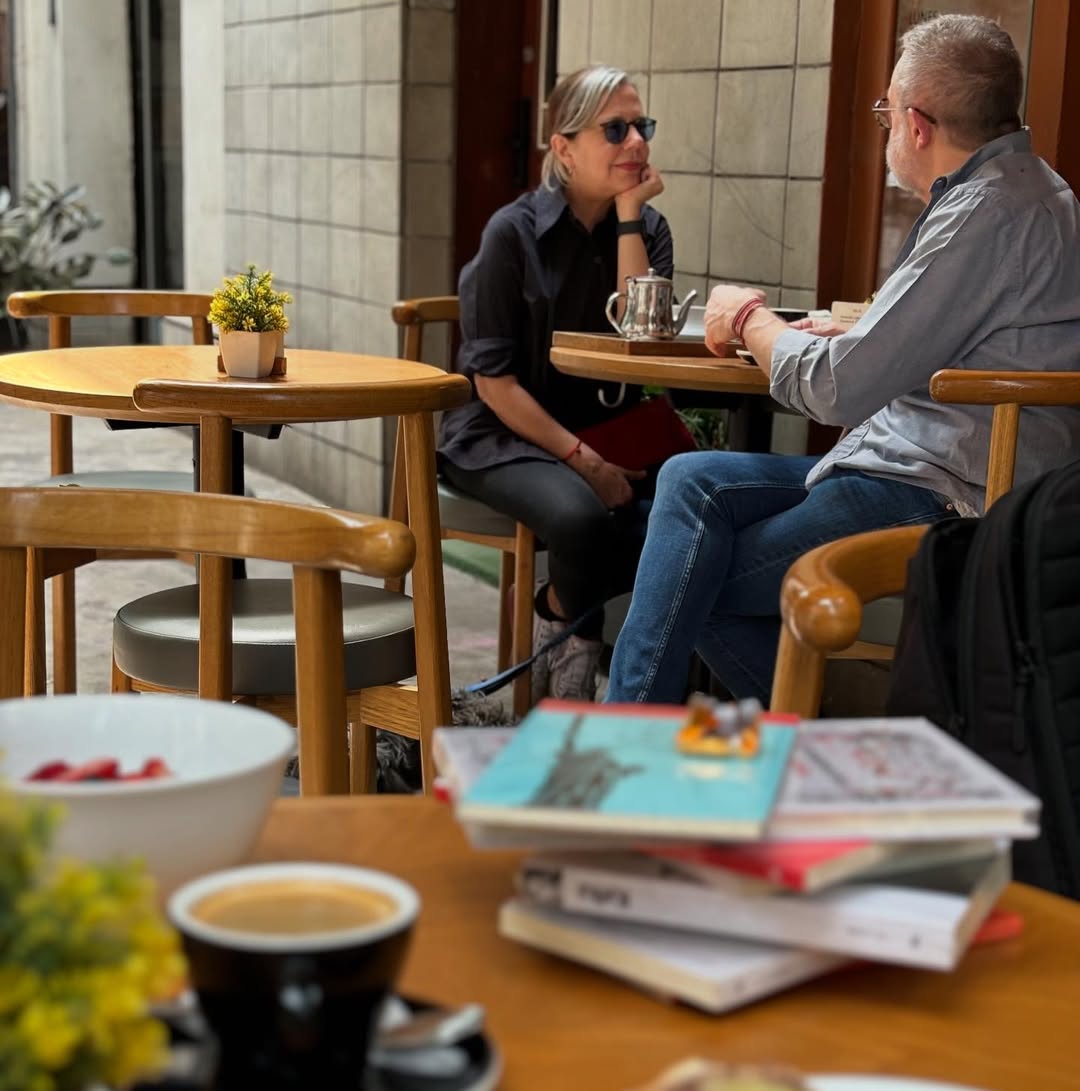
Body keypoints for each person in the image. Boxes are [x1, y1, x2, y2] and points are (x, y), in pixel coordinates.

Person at [606, 13, 1080, 706]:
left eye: (887, 112)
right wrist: (852, 331)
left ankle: (628, 739)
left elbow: (833, 390)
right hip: (936, 470)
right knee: (689, 477)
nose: (885, 128)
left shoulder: (986, 212)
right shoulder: (1038, 192)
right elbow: (949, 334)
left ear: (917, 126)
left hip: (939, 494)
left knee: (690, 580)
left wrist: (747, 317)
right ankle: (808, 749)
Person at [438, 65, 675, 702]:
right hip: (506, 430)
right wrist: (583, 460)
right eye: (615, 129)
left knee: (696, 510)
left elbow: (637, 347)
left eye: (641, 127)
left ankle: (552, 603)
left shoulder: (647, 230)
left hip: (609, 422)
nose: (636, 143)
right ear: (563, 148)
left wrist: (629, 217)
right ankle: (569, 674)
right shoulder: (512, 234)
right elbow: (494, 384)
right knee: (583, 518)